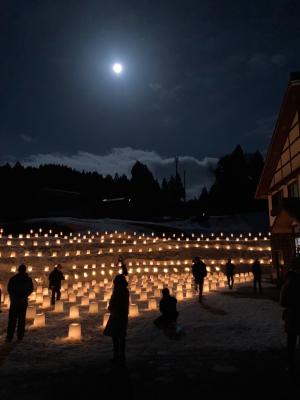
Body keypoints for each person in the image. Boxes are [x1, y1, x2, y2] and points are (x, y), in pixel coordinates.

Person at [104, 274, 129, 363]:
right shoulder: (120, 290)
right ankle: (117, 354)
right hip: (117, 315)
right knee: (116, 335)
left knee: (119, 336)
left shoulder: (122, 292)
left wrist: (112, 307)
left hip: (119, 315)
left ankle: (120, 355)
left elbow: (120, 304)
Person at [6, 264, 33, 342]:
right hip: (22, 302)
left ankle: (9, 336)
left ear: (18, 270)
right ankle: (20, 336)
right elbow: (30, 289)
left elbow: (9, 289)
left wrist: (14, 297)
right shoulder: (28, 279)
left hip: (15, 302)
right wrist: (24, 296)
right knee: (21, 319)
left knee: (12, 320)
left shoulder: (13, 279)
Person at [280, 270, 300, 375]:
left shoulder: (286, 286)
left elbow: (282, 302)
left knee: (291, 342)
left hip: (292, 316)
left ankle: (291, 365)